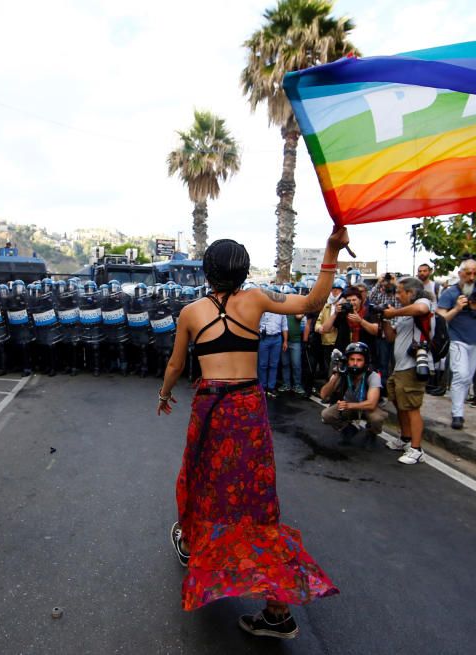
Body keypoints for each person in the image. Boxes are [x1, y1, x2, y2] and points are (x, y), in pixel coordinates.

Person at [157, 227, 348, 639]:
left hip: (211, 407)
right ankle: (276, 610)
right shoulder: (257, 299)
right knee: (256, 501)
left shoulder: (191, 312)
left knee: (203, 481)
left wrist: (165, 392)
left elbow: (175, 366)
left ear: (207, 272)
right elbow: (314, 302)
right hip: (247, 408)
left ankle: (193, 545)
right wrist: (331, 250)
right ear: (243, 271)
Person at [436, 259, 476, 430]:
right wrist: (456, 308)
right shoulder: (450, 292)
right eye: (468, 273)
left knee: (467, 377)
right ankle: (457, 414)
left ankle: (458, 408)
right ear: (460, 273)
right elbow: (440, 319)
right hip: (457, 338)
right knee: (460, 374)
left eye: (475, 273)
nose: (471, 277)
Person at [382, 276, 435, 464]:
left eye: (399, 292)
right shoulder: (404, 314)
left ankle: (416, 448)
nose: (397, 296)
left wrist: (393, 312)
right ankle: (405, 438)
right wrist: (384, 319)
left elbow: (421, 309)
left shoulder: (422, 302)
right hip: (399, 367)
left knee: (412, 407)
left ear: (410, 292)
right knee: (400, 404)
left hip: (414, 366)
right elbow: (390, 337)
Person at [319, 342, 385, 445]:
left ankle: (372, 432)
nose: (355, 363)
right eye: (352, 359)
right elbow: (323, 394)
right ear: (347, 361)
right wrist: (336, 375)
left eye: (359, 360)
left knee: (377, 418)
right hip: (348, 407)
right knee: (326, 415)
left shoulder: (373, 375)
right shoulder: (343, 372)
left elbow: (371, 404)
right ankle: (349, 427)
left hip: (366, 408)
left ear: (365, 361)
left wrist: (349, 405)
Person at [258, 307, 287, 397]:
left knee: (274, 364)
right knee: (262, 364)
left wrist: (285, 341)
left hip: (277, 339)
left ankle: (271, 387)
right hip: (264, 339)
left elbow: (284, 327)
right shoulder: (262, 309)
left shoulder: (281, 310)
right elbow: (255, 324)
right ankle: (262, 387)